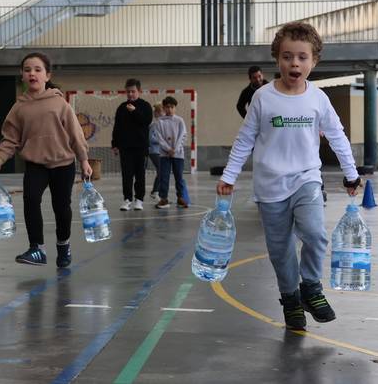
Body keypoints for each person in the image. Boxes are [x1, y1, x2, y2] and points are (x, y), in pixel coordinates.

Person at [217, 22, 361, 330]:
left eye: (302, 57)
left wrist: (351, 173)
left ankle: (310, 287)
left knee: (315, 233)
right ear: (277, 59)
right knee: (280, 249)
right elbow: (245, 139)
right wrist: (229, 175)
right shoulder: (263, 98)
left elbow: (337, 135)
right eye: (286, 56)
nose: (294, 63)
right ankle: (291, 300)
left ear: (314, 61)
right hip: (269, 185)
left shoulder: (318, 99)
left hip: (306, 178)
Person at [0, 52, 91, 268]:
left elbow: (75, 134)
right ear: (22, 77)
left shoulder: (59, 103)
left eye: (37, 69)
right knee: (31, 199)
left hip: (63, 164)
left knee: (61, 207)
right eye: (27, 70)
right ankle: (37, 249)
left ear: (47, 75)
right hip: (36, 164)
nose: (32, 73)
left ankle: (63, 245)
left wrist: (84, 160)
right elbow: (10, 139)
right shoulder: (19, 108)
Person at [111, 78, 153, 211]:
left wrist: (134, 111)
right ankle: (127, 199)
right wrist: (115, 143)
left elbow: (146, 121)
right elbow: (117, 127)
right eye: (128, 92)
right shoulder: (121, 108)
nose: (130, 94)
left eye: (133, 91)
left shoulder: (145, 106)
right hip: (125, 147)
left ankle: (139, 200)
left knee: (140, 175)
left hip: (141, 147)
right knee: (127, 175)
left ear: (139, 91)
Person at [155, 96, 188, 209]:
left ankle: (180, 197)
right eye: (167, 107)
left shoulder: (179, 120)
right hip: (165, 155)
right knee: (164, 177)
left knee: (179, 177)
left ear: (175, 108)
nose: (169, 109)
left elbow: (183, 136)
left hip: (178, 155)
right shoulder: (159, 122)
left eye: (172, 107)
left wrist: (176, 149)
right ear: (163, 108)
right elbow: (159, 138)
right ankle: (163, 198)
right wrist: (168, 149)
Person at [148, 103, 164, 200]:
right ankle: (155, 191)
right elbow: (150, 139)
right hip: (154, 151)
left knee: (161, 171)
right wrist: (162, 140)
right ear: (157, 113)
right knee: (161, 170)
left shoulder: (163, 124)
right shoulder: (154, 125)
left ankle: (156, 192)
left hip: (161, 151)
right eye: (162, 111)